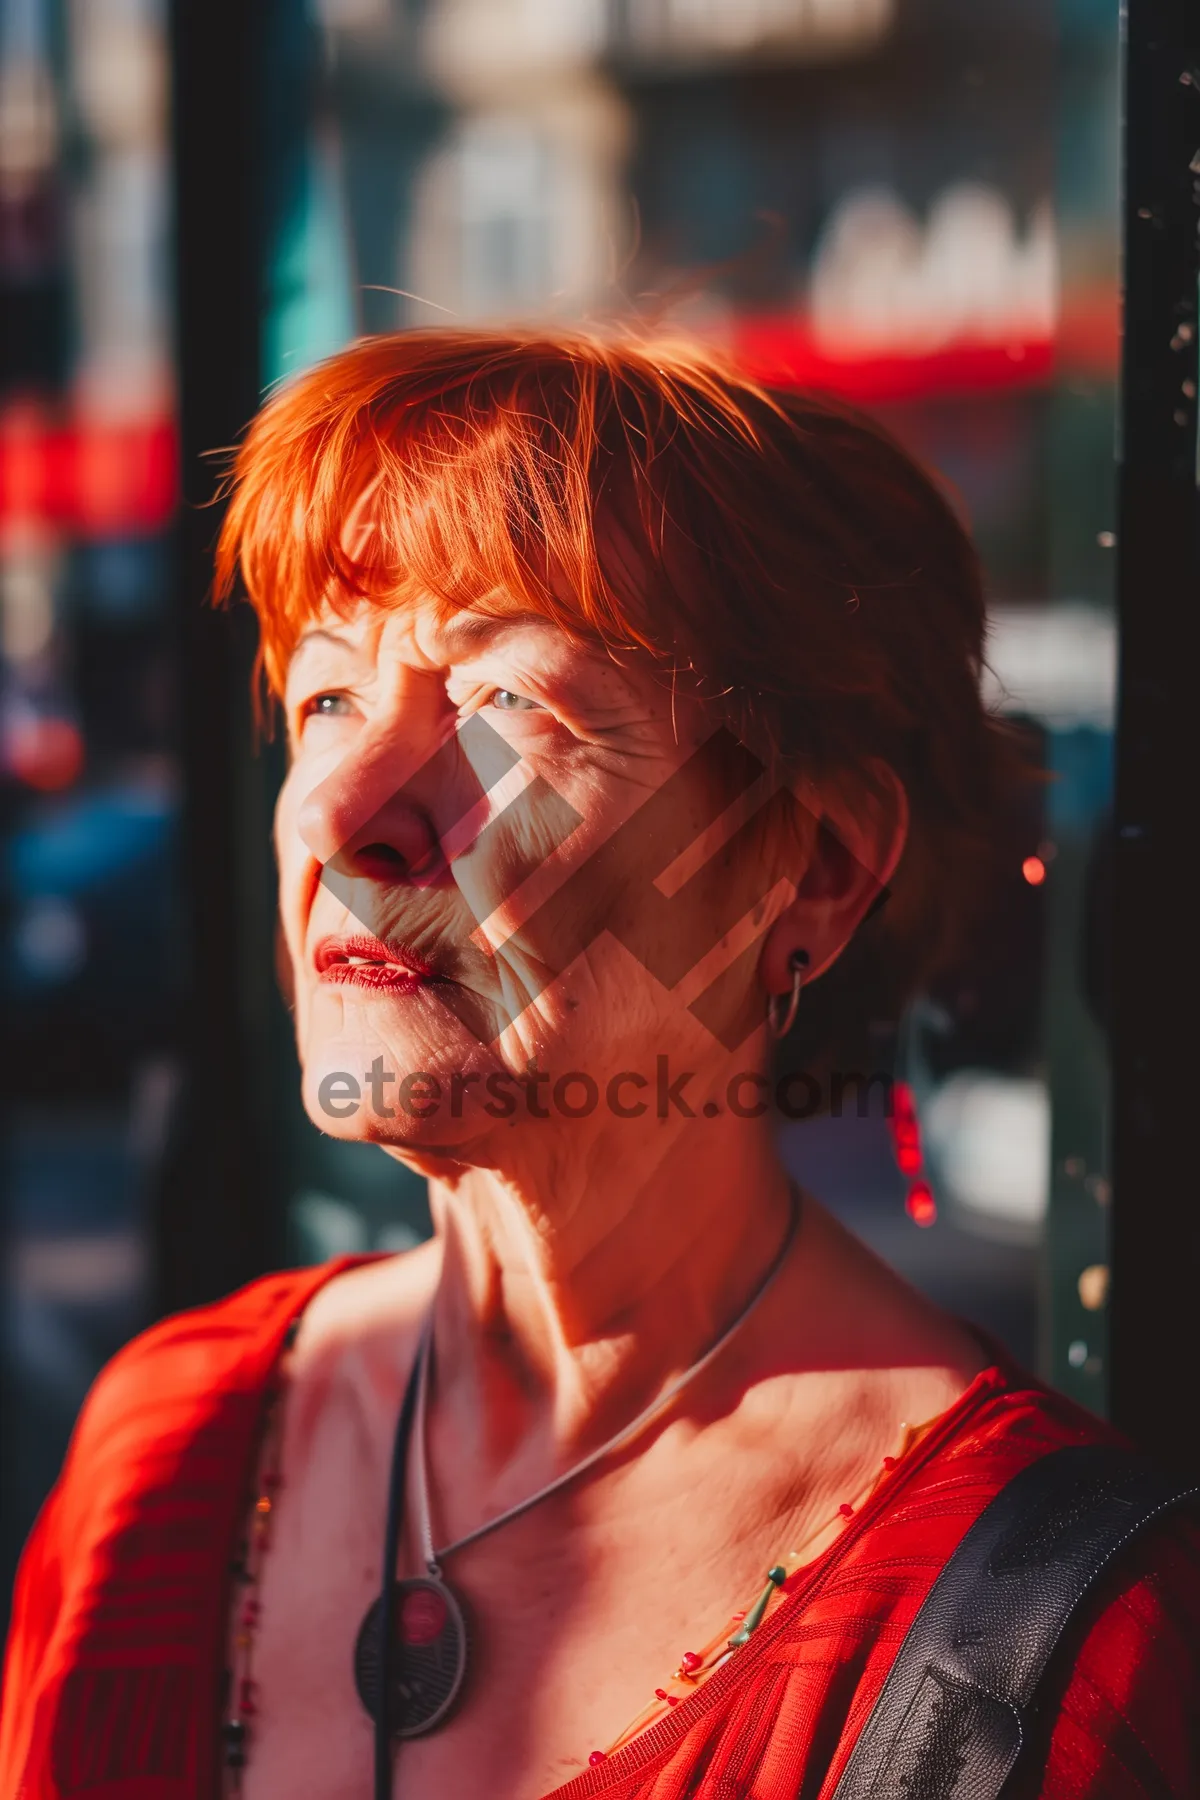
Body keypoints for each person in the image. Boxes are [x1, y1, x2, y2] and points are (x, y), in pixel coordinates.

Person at [2, 327, 1196, 1800]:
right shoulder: (159, 1460)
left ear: (812, 867)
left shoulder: (1053, 1657)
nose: (340, 816)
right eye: (325, 699)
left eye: (504, 706)